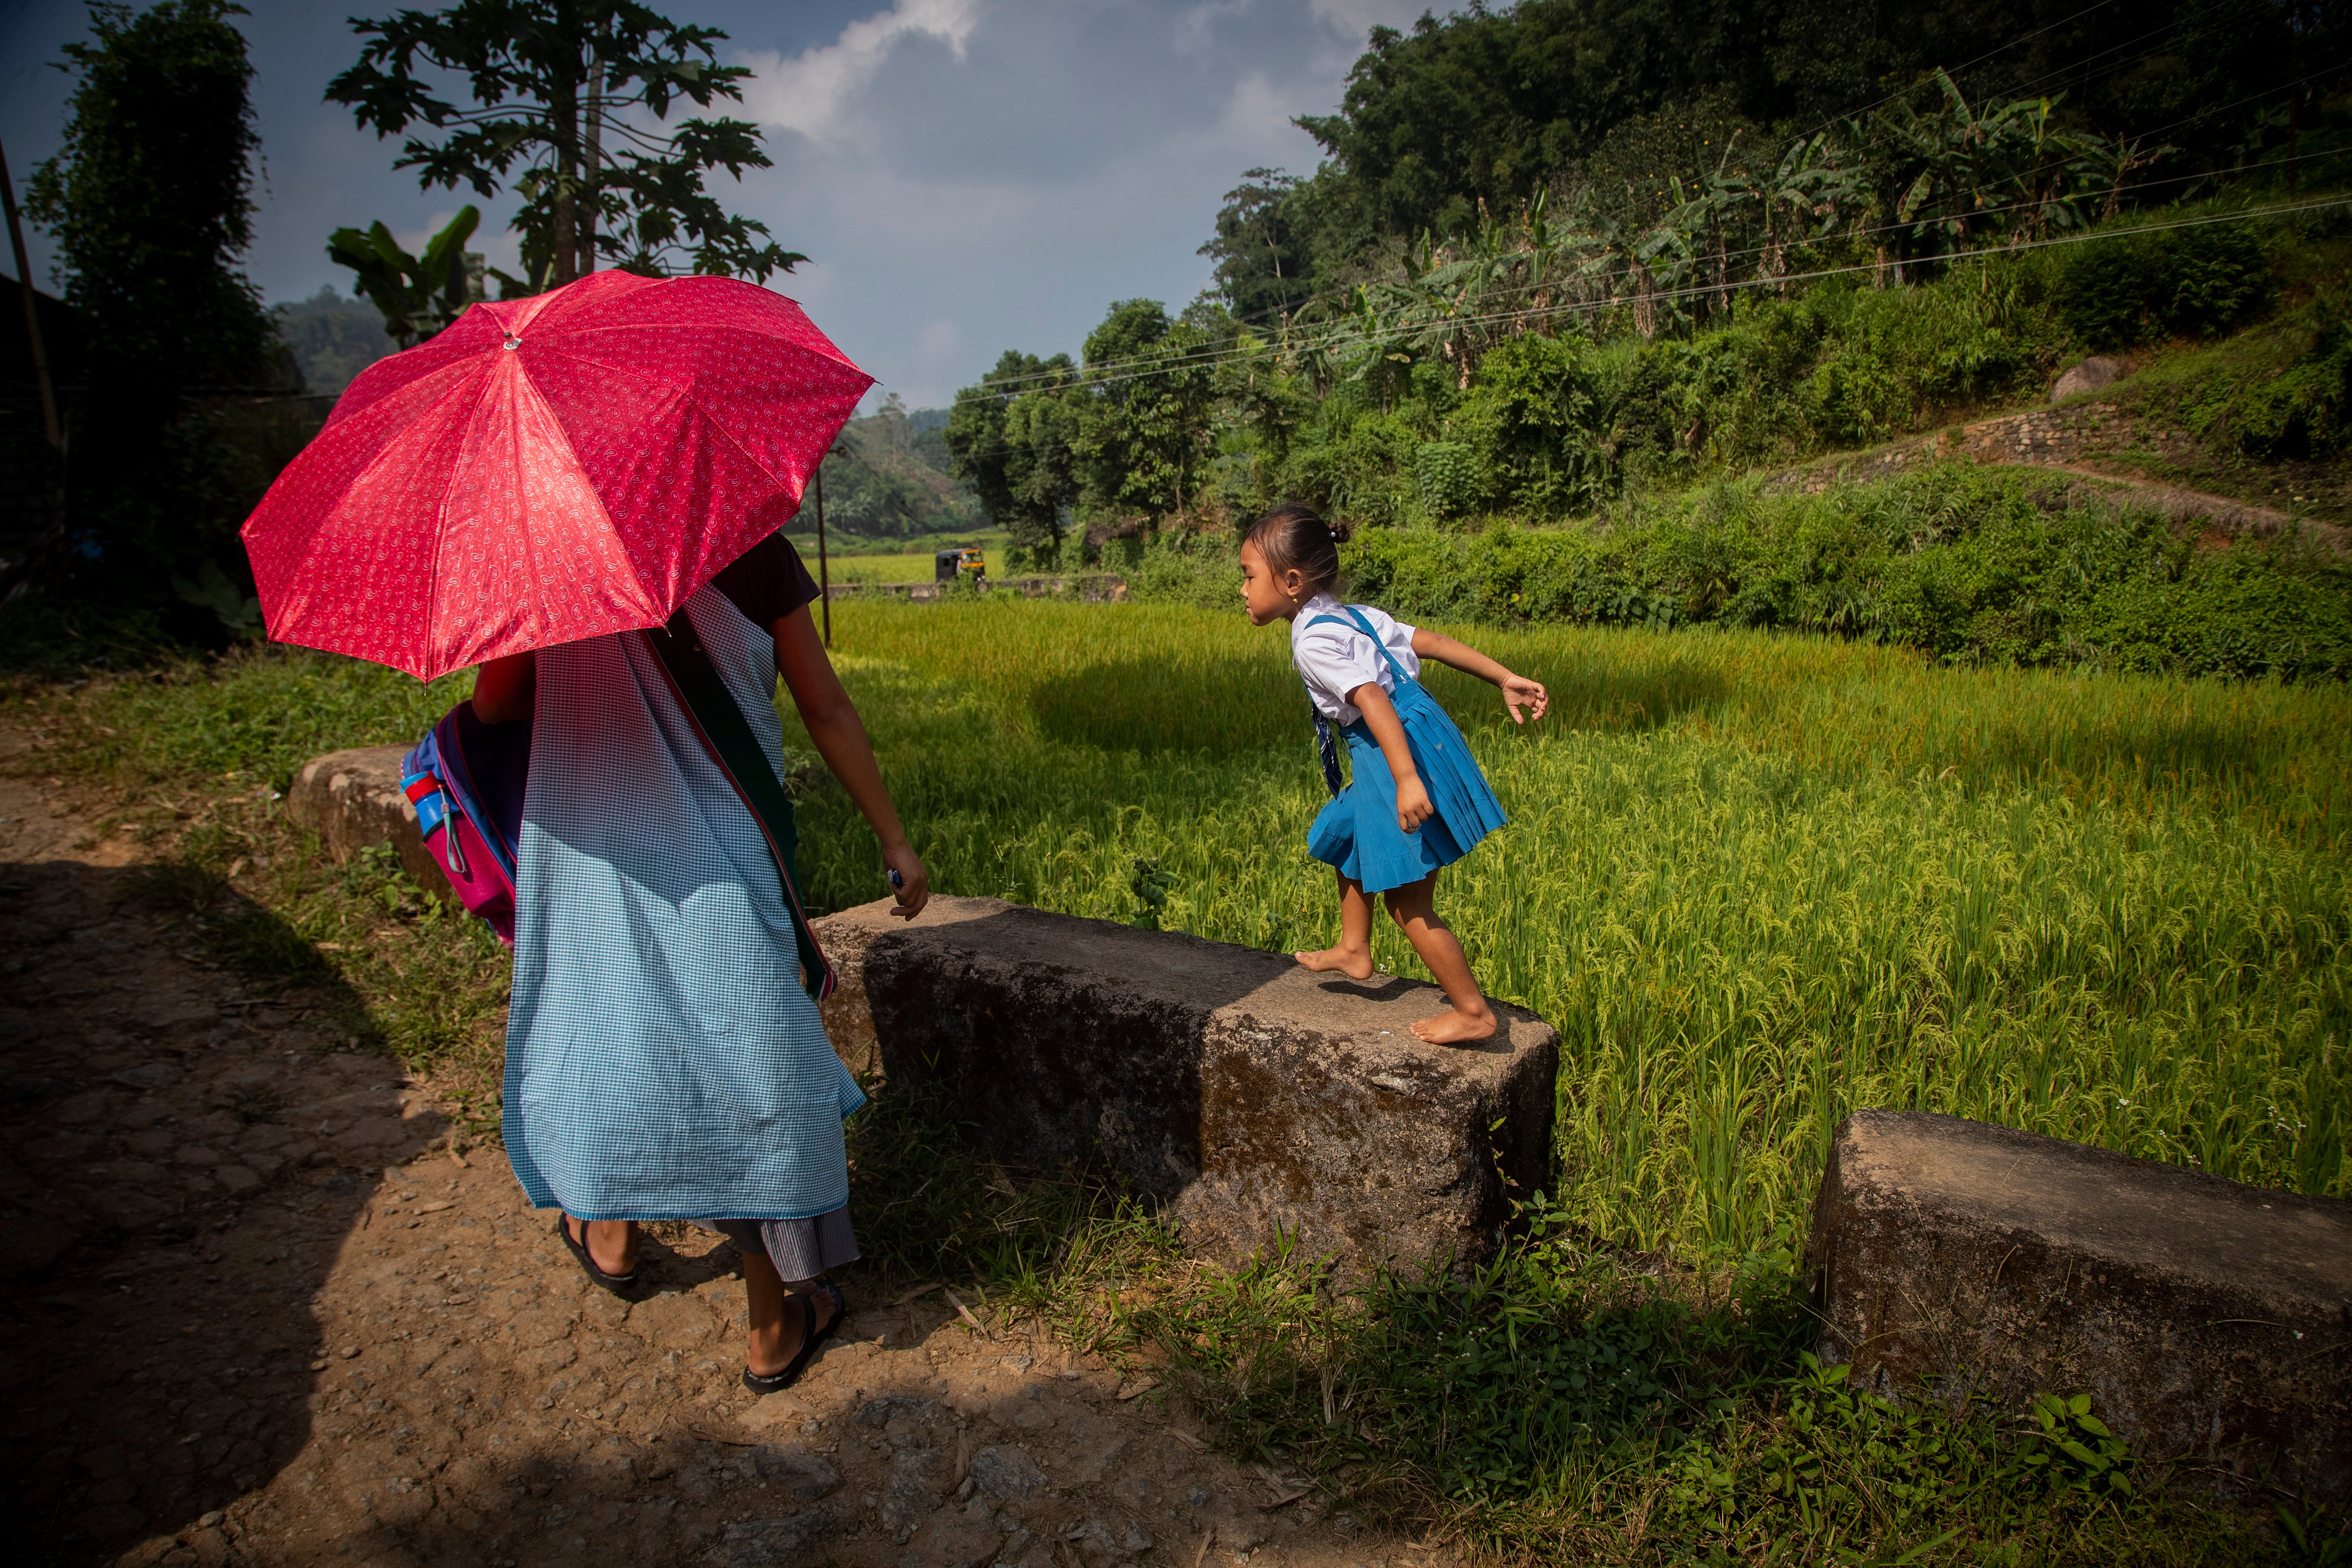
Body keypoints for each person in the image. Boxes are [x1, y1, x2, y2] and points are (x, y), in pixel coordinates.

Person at [471, 531, 928, 1394]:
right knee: (751, 1066)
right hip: (720, 847)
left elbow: (496, 707)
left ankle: (606, 1232)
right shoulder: (747, 542)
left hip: (596, 854)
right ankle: (771, 1328)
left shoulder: (538, 551)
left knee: (611, 1024)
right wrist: (894, 838)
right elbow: (824, 706)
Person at [1239, 503, 1547, 1044]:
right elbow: (1430, 643)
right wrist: (1503, 677)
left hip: (1392, 748)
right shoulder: (1354, 615)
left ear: (1291, 582)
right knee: (1344, 833)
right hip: (1417, 731)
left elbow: (1372, 697)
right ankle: (1355, 948)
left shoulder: (1313, 639)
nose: (1241, 589)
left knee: (1408, 901)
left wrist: (1405, 779)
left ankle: (1473, 1011)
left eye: (1248, 576)